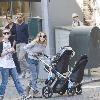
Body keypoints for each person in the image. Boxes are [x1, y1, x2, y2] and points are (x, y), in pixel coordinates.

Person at [0, 29, 26, 100]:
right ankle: (1, 95)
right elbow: (0, 55)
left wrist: (13, 51)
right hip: (4, 65)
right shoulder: (1, 43)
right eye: (4, 33)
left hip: (12, 64)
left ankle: (22, 94)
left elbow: (13, 52)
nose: (6, 34)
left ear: (9, 34)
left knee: (17, 80)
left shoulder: (10, 42)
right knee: (4, 82)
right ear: (3, 34)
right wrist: (8, 50)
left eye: (7, 33)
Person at [24, 32, 47, 98]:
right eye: (41, 36)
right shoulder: (34, 42)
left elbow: (40, 52)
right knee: (34, 75)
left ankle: (28, 88)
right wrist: (32, 53)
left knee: (35, 76)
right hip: (31, 60)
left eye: (44, 36)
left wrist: (41, 54)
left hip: (37, 60)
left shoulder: (44, 44)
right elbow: (25, 48)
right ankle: (35, 91)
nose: (42, 38)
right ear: (38, 36)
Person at [13, 13, 29, 78]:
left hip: (23, 43)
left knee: (21, 58)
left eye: (20, 17)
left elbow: (27, 35)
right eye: (17, 17)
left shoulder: (25, 25)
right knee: (19, 59)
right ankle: (23, 72)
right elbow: (15, 36)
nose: (19, 18)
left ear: (22, 17)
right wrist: (13, 46)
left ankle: (28, 70)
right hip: (17, 44)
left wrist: (26, 43)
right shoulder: (16, 26)